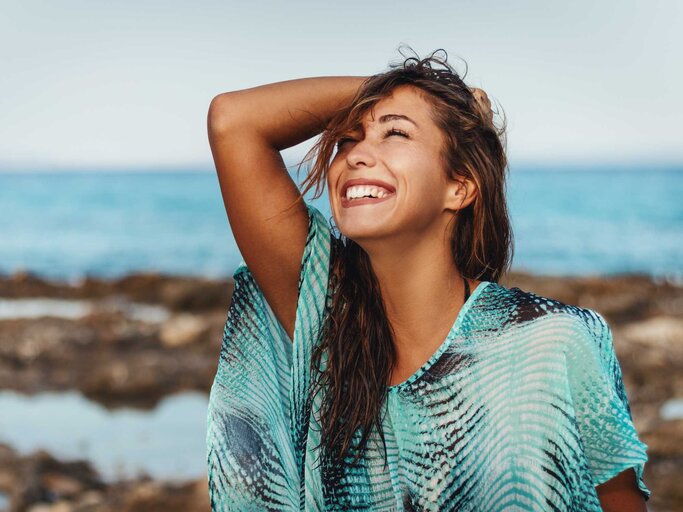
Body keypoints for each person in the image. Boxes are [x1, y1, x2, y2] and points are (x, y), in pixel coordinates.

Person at [205, 48, 651, 511]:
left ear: (460, 186)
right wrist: (407, 90)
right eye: (347, 140)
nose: (357, 155)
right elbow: (233, 120)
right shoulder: (327, 325)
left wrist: (434, 96)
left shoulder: (554, 343)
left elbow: (620, 502)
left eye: (394, 132)